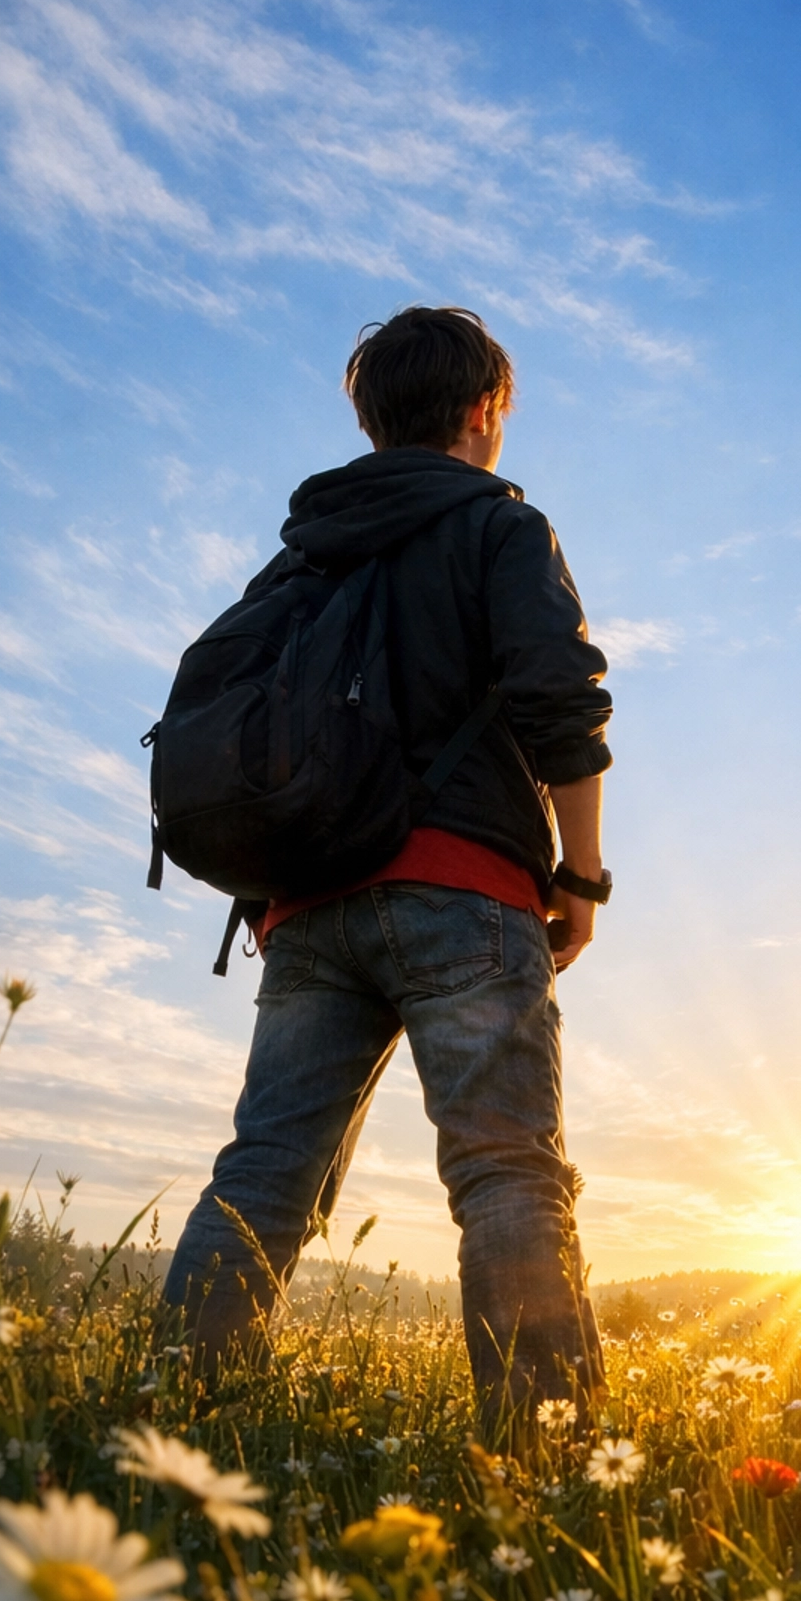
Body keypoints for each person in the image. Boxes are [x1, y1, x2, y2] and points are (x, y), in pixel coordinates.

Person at [162, 306, 612, 1427]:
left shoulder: (304, 552)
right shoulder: (500, 525)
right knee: (506, 1171)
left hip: (306, 907)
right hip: (463, 888)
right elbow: (561, 698)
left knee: (263, 1176)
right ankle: (550, 1454)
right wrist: (583, 876)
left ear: (369, 419)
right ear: (483, 412)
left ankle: (174, 1430)